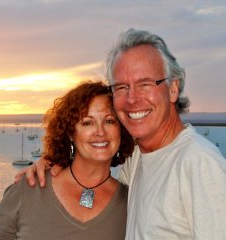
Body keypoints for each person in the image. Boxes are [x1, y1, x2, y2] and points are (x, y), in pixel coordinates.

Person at [15, 29, 226, 239]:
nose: (132, 99)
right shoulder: (138, 157)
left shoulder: (199, 163)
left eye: (145, 84)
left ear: (173, 89)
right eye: (122, 87)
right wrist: (54, 160)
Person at [0, 81, 135, 240]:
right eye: (87, 122)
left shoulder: (131, 204)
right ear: (70, 132)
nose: (100, 132)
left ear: (121, 129)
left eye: (109, 121)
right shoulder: (27, 190)